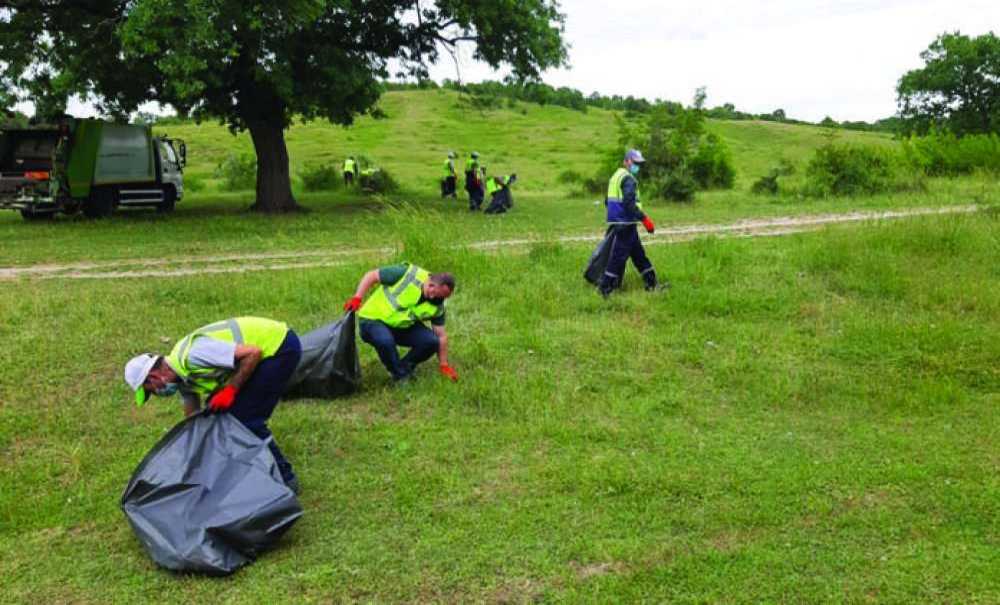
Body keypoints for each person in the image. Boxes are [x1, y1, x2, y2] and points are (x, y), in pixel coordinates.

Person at [123, 317, 303, 493]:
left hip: (278, 347)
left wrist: (230, 390)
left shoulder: (194, 356)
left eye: (150, 390)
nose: (156, 394)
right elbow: (192, 410)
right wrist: (192, 445)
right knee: (216, 411)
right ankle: (244, 463)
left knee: (246, 420)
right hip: (258, 355)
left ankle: (286, 478)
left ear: (154, 377)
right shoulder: (182, 377)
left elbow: (253, 353)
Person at [343, 263, 459, 383]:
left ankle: (402, 367)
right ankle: (400, 376)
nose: (433, 297)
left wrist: (444, 365)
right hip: (372, 319)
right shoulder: (407, 273)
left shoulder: (438, 304)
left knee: (431, 342)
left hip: (399, 326)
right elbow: (372, 275)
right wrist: (357, 298)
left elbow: (441, 335)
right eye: (433, 291)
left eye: (440, 297)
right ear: (430, 283)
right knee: (385, 341)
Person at [598, 149, 666, 296]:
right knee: (617, 257)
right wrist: (644, 219)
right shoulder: (628, 179)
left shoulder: (615, 177)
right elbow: (629, 203)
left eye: (639, 164)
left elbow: (607, 201)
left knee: (639, 255)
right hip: (626, 223)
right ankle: (604, 289)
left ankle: (652, 284)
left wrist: (616, 217)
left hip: (621, 223)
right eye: (635, 163)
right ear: (627, 161)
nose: (637, 166)